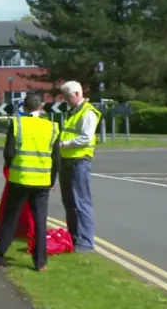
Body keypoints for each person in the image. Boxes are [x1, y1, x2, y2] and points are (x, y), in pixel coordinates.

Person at [0, 93, 61, 271]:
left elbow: (9, 153)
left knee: (10, 219)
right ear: (41, 107)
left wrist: (10, 167)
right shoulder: (52, 127)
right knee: (39, 222)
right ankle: (40, 262)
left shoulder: (17, 124)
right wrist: (51, 180)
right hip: (42, 181)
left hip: (19, 179)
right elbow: (56, 158)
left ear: (25, 108)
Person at [58, 80, 102, 253]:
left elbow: (85, 137)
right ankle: (73, 238)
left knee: (81, 202)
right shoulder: (73, 112)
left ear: (77, 94)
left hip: (79, 161)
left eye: (68, 97)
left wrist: (64, 144)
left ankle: (85, 242)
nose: (66, 100)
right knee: (69, 202)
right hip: (68, 160)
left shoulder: (88, 112)